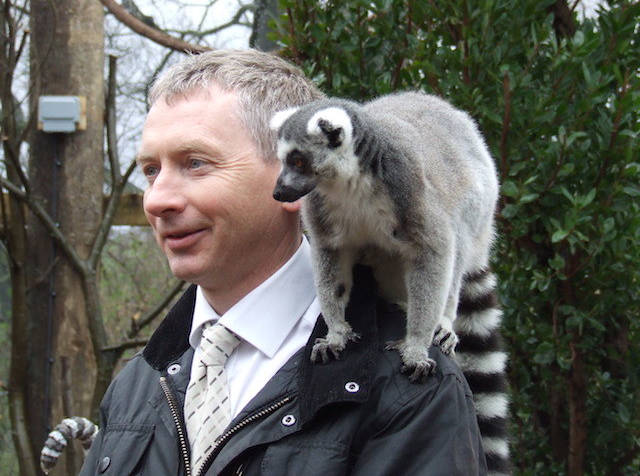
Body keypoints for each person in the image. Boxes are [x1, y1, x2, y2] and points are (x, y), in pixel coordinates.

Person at [79, 49, 487, 476]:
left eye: (195, 163)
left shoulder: (405, 385)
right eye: (150, 170)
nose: (157, 199)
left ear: (300, 176)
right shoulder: (138, 384)